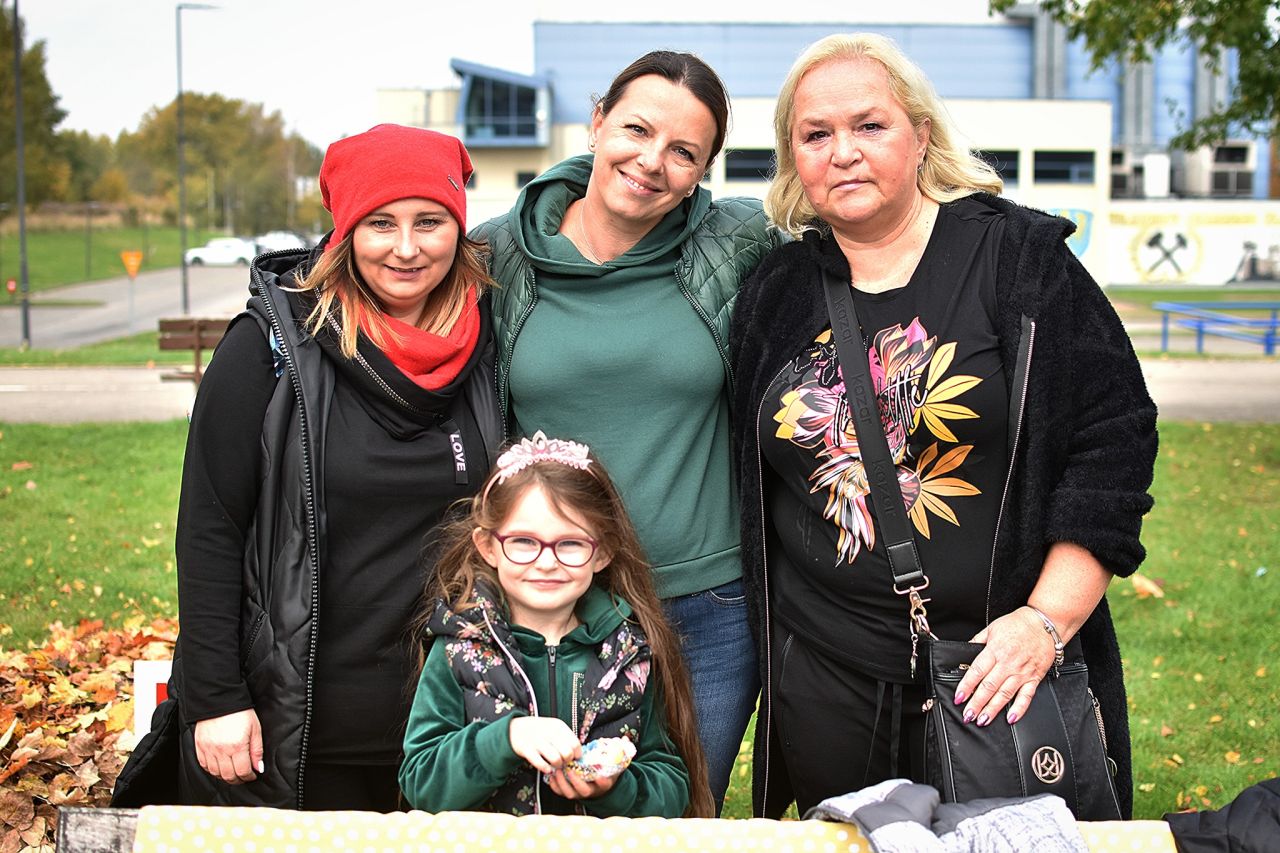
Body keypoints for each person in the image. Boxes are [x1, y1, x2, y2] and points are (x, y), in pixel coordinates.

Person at [730, 33, 1158, 818]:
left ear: (921, 134)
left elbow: (1114, 439)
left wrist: (1047, 621)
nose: (844, 151)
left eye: (870, 125)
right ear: (793, 157)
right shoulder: (776, 291)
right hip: (825, 675)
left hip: (997, 672)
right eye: (816, 134)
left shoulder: (1017, 259)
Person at [474, 50, 777, 810]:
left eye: (684, 152)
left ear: (703, 170)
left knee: (680, 815)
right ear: (598, 121)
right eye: (637, 130)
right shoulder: (499, 254)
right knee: (548, 814)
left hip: (708, 608)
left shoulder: (738, 241)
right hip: (551, 599)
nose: (652, 162)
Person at [167, 124, 502, 809]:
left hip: (450, 728)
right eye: (380, 223)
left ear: (459, 228)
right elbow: (210, 528)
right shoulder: (268, 348)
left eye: (429, 221)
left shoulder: (489, 347)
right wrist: (215, 696)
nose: (406, 247)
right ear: (346, 231)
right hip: (298, 726)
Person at [399, 431, 714, 817]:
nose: (546, 562)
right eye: (523, 542)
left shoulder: (629, 653)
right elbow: (422, 783)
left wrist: (615, 789)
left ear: (603, 552)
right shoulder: (458, 647)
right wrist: (505, 739)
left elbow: (671, 788)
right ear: (488, 547)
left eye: (570, 544)